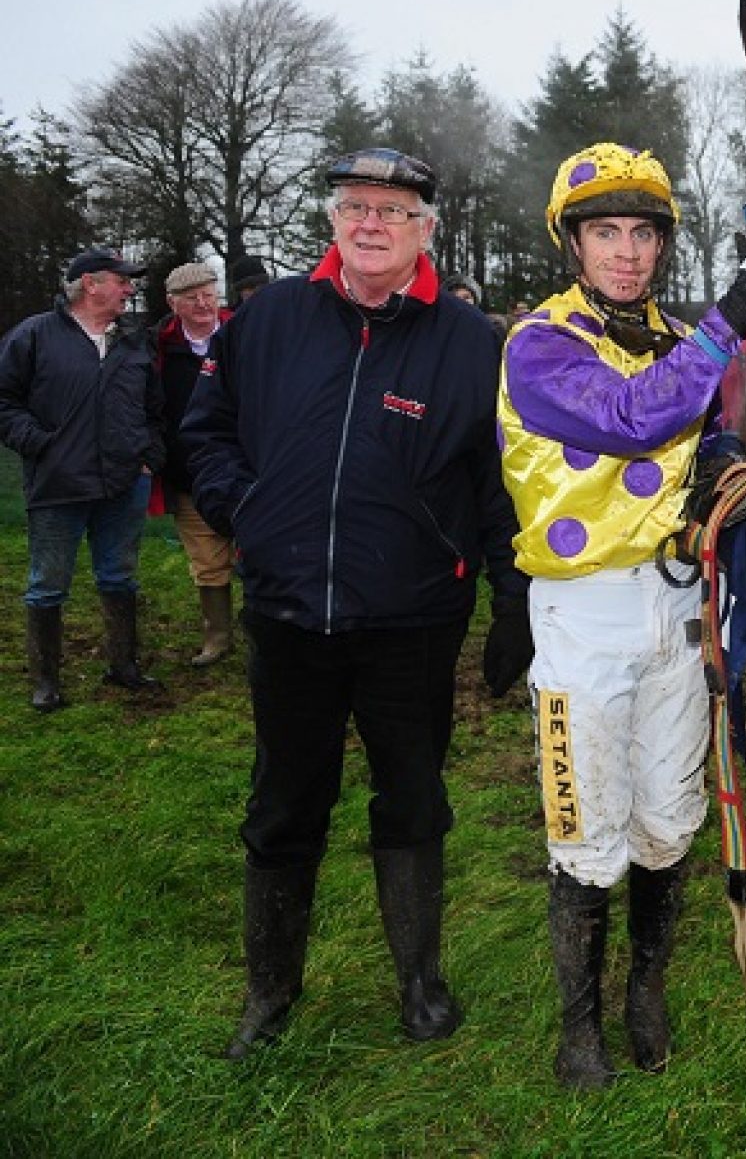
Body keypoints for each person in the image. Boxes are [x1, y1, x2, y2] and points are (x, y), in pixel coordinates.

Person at [182, 147, 535, 1058]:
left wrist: (512, 596)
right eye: (354, 205)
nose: (370, 221)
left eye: (392, 208)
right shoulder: (269, 322)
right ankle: (270, 990)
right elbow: (204, 432)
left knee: (412, 797)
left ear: (426, 229)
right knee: (285, 800)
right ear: (333, 221)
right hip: (290, 611)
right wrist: (245, 509)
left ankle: (420, 983)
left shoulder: (468, 341)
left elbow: (500, 482)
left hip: (413, 617)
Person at [498, 143, 746, 1088]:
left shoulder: (677, 336)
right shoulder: (539, 342)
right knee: (587, 829)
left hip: (678, 607)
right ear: (574, 242)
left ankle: (648, 986)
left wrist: (737, 467)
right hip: (581, 616)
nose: (626, 252)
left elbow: (697, 437)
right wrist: (734, 318)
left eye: (642, 233)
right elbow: (633, 419)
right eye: (606, 232)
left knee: (670, 819)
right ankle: (578, 1024)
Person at [0, 247, 166, 711]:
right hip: (58, 486)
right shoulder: (34, 336)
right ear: (90, 284)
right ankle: (45, 682)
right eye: (122, 280)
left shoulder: (134, 343)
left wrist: (148, 456)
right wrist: (39, 443)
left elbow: (155, 410)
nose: (130, 289)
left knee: (120, 576)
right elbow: (4, 401)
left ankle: (123, 666)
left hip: (123, 484)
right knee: (47, 584)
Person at [152, 262, 235, 665]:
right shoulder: (159, 349)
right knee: (207, 559)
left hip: (249, 469)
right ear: (173, 303)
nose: (204, 304)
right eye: (192, 298)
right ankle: (218, 636)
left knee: (264, 551)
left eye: (209, 294)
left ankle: (270, 633)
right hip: (190, 474)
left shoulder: (244, 335)